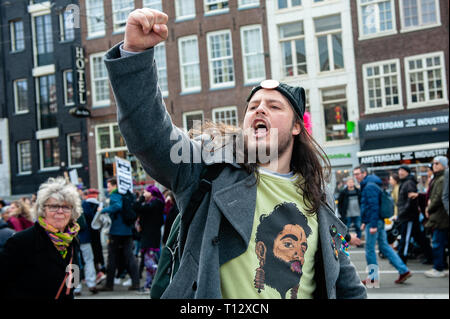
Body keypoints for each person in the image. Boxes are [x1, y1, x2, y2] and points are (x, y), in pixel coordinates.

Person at [103, 8, 365, 299]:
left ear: (295, 128)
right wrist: (136, 55)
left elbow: (346, 281)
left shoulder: (319, 197)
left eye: (274, 106)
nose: (260, 109)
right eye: (253, 106)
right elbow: (150, 136)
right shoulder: (206, 170)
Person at [0, 177, 81, 299]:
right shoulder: (21, 241)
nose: (60, 211)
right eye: (53, 206)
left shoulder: (72, 240)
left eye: (66, 207)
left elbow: (72, 284)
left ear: (72, 212)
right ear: (42, 210)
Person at [353, 166, 411, 285]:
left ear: (364, 173)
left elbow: (374, 207)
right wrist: (364, 221)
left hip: (374, 222)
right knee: (384, 246)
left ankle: (373, 278)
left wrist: (372, 224)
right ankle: (403, 270)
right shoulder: (371, 184)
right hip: (375, 221)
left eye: (358, 174)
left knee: (369, 250)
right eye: (354, 174)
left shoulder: (369, 186)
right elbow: (368, 206)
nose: (356, 176)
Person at [97, 178, 140, 291]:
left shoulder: (115, 195)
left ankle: (109, 284)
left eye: (109, 186)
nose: (108, 188)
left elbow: (117, 206)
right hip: (127, 230)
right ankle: (136, 282)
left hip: (116, 230)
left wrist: (103, 210)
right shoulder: (127, 194)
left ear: (115, 185)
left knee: (112, 258)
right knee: (130, 256)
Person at [396, 165, 432, 264]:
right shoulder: (405, 182)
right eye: (399, 170)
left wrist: (403, 212)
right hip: (408, 216)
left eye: (402, 170)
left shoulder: (409, 183)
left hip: (409, 217)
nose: (400, 172)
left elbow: (411, 200)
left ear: (407, 172)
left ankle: (402, 258)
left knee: (406, 238)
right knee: (419, 237)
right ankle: (430, 256)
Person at [133, 185, 165, 293]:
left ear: (151, 193)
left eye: (145, 192)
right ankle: (148, 284)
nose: (143, 194)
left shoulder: (156, 203)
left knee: (150, 262)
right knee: (148, 261)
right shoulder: (153, 203)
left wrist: (140, 199)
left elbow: (137, 207)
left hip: (151, 237)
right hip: (148, 236)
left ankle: (155, 282)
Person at [424, 156, 449, 278]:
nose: (434, 165)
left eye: (437, 163)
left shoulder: (442, 178)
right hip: (440, 215)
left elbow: (439, 197)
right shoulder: (438, 178)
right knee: (441, 242)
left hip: (440, 216)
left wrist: (429, 208)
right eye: (433, 163)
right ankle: (442, 266)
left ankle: (438, 268)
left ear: (444, 165)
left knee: (438, 243)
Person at [82, 188, 107, 283]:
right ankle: (100, 271)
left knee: (89, 257)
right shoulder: (99, 205)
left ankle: (93, 276)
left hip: (87, 234)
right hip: (96, 232)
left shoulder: (84, 204)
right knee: (97, 252)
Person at [337, 177, 362, 242]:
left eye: (352, 182)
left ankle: (358, 241)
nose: (351, 183)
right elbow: (340, 203)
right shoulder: (343, 192)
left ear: (354, 183)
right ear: (347, 183)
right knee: (346, 228)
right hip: (347, 214)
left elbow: (361, 202)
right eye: (349, 182)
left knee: (358, 228)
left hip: (357, 213)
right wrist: (341, 212)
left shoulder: (358, 191)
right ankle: (346, 242)